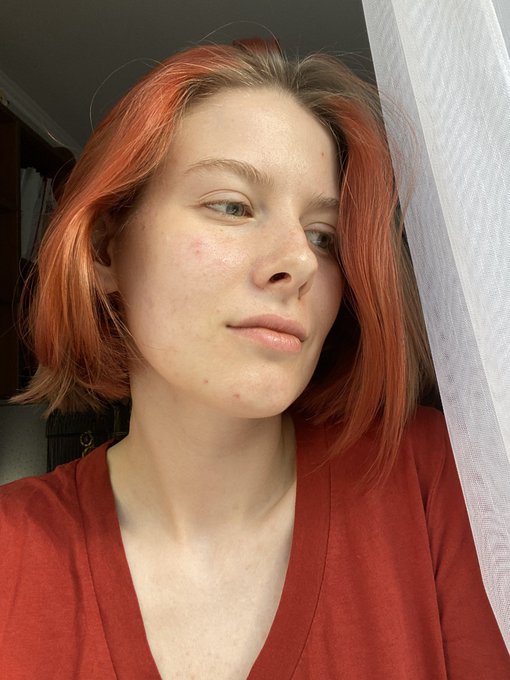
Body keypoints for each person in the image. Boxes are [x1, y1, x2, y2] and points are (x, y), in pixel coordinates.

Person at [0, 38, 508, 679]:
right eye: (232, 206)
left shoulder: (435, 481)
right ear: (106, 249)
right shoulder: (12, 551)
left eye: (323, 236)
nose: (299, 261)